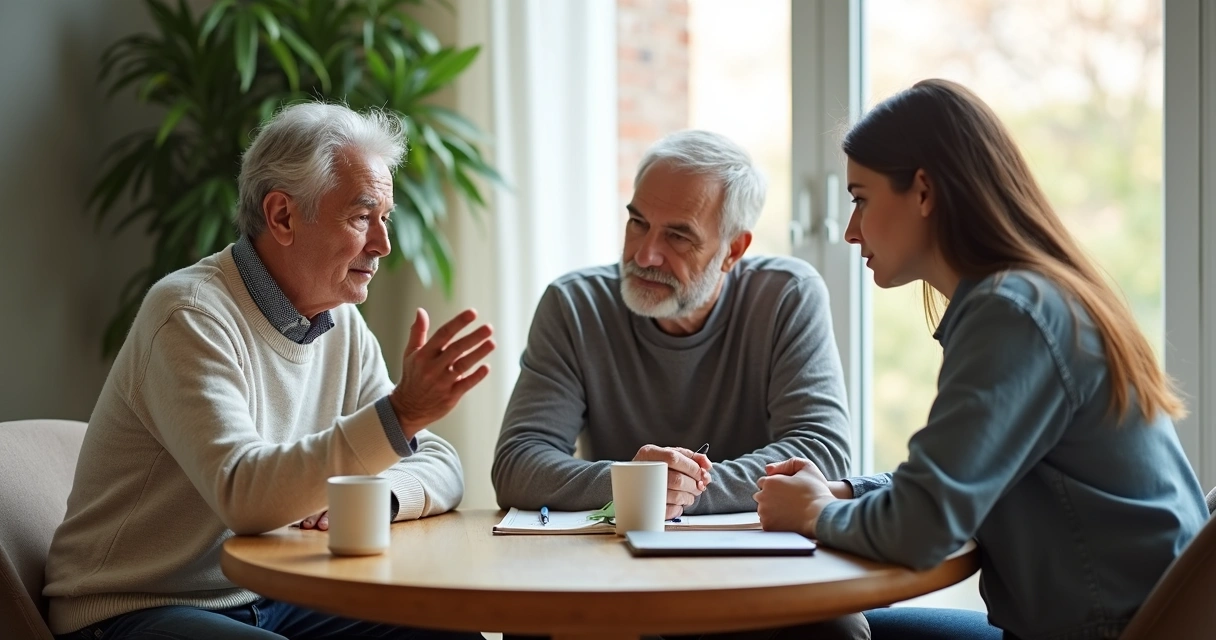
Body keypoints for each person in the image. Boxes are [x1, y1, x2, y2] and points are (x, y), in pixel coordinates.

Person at [753, 79, 1209, 640]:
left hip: (1105, 631)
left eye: (860, 199)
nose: (850, 231)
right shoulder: (1029, 298)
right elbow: (958, 479)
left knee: (815, 631)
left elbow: (923, 529)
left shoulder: (1012, 313)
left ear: (923, 192)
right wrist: (846, 492)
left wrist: (813, 515)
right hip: (1118, 620)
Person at [43, 102, 494, 640]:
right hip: (136, 605)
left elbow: (439, 462)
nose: (383, 245)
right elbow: (245, 495)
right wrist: (401, 415)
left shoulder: (340, 325)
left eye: (385, 218)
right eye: (360, 216)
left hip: (269, 594)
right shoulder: (190, 315)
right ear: (282, 216)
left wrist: (382, 494)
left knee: (449, 633)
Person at [493, 130, 866, 639]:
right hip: (616, 572)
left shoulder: (787, 296)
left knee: (835, 631)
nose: (645, 254)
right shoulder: (573, 305)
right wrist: (631, 484)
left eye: (678, 236)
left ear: (733, 249)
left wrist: (675, 493)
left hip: (762, 573)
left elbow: (820, 452)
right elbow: (518, 462)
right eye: (637, 223)